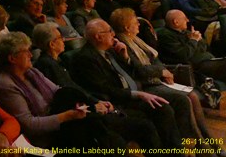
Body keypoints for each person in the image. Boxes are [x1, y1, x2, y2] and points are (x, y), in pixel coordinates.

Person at [32, 23, 161, 150]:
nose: (64, 40)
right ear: (52, 44)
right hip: (82, 115)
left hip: (93, 104)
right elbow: (69, 95)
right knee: (144, 126)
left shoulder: (59, 61)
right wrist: (95, 104)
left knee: (149, 117)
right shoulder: (48, 65)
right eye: (60, 38)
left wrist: (97, 101)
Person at [0, 32, 118, 149]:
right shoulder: (5, 85)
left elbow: (58, 91)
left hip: (64, 124)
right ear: (12, 58)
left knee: (83, 110)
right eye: (25, 52)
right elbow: (29, 125)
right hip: (46, 139)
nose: (30, 55)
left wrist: (90, 106)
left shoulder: (32, 72)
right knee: (96, 128)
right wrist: (68, 115)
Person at [71, 19, 182, 148]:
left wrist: (125, 56)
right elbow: (106, 89)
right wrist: (138, 95)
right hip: (119, 101)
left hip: (136, 92)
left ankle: (182, 149)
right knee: (159, 112)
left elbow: (135, 72)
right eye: (109, 31)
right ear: (98, 36)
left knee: (174, 103)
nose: (113, 34)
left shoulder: (112, 50)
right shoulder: (86, 58)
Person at [109, 8, 204, 141]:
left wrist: (164, 72)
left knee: (193, 95)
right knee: (185, 99)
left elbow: (155, 59)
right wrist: (161, 71)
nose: (139, 24)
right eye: (135, 22)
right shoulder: (122, 44)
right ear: (126, 27)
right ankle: (199, 142)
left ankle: (205, 138)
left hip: (157, 79)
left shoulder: (136, 40)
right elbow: (140, 70)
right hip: (147, 84)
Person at [157, 9, 226, 83]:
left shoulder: (185, 32)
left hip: (206, 60)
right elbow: (183, 55)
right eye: (184, 18)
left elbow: (204, 48)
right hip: (193, 67)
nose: (187, 20)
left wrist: (199, 39)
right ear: (176, 22)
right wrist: (194, 40)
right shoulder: (165, 35)